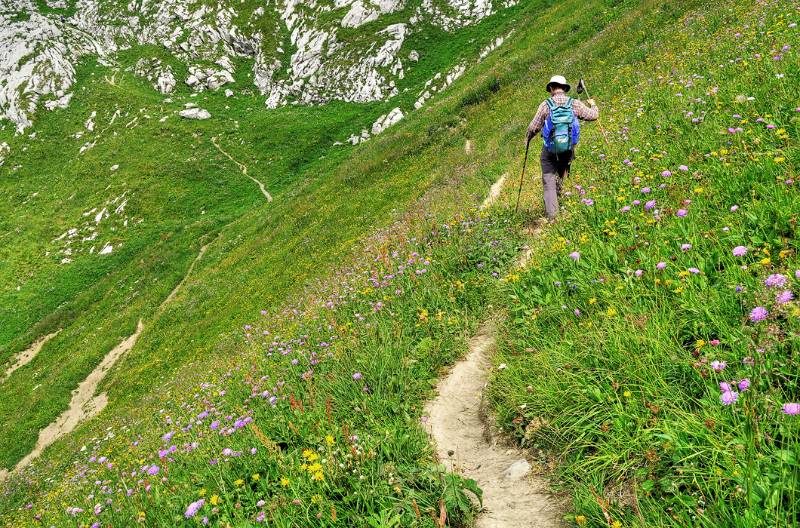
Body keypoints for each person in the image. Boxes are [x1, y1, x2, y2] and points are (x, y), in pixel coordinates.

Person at [525, 75, 598, 221]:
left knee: (548, 180)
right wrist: (593, 104)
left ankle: (553, 217)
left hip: (550, 150)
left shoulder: (545, 105)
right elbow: (593, 116)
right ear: (564, 88)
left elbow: (533, 127)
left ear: (551, 88)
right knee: (561, 173)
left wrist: (527, 140)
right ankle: (558, 197)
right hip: (568, 149)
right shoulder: (574, 104)